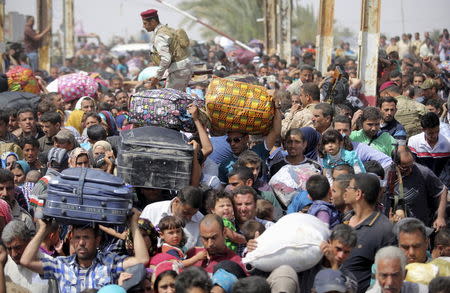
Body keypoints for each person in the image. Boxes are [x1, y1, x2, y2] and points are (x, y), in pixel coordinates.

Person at [20, 208, 150, 292]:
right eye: (77, 238)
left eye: (86, 237)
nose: (81, 243)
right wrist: (44, 229)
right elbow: (26, 261)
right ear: (71, 240)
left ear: (97, 240)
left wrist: (133, 224)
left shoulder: (110, 263)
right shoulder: (61, 264)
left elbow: (142, 259)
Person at [341, 173, 395, 293]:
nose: (345, 190)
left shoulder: (383, 230)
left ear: (358, 193)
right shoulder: (346, 219)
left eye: (349, 187)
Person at [392, 148, 447, 229]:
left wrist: (440, 217)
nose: (410, 170)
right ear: (396, 164)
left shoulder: (424, 172)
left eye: (411, 165)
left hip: (422, 226)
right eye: (405, 168)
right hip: (399, 228)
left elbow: (442, 191)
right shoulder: (389, 176)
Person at [141, 9, 192, 90]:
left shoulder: (160, 36)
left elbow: (166, 59)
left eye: (145, 23)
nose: (143, 26)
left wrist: (157, 77)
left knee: (170, 98)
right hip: (183, 68)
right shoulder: (168, 29)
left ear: (153, 21)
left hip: (178, 70)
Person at [1, 220, 57, 292]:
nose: (13, 254)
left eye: (17, 247)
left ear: (29, 242)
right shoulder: (5, 265)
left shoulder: (50, 265)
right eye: (9, 249)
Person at [408, 112, 450, 186]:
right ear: (423, 130)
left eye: (436, 131)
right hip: (421, 183)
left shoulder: (447, 143)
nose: (434, 135)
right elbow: (412, 167)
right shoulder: (413, 142)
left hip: (442, 184)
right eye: (430, 133)